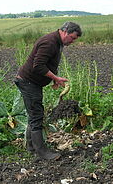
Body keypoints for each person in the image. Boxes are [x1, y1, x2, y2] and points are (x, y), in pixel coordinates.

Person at [14, 21, 82, 160]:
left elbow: (46, 65)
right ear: (65, 32)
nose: (73, 41)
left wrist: (53, 79)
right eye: (73, 38)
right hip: (28, 82)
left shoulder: (57, 42)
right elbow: (38, 66)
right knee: (36, 115)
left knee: (34, 114)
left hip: (32, 83)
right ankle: (41, 152)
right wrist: (55, 77)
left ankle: (32, 148)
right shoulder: (50, 42)